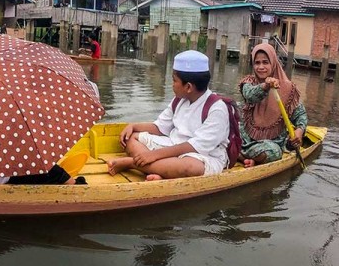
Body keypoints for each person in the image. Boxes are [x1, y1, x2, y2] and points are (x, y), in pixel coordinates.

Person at [107, 50, 230, 181]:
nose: (172, 85)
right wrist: (133, 126)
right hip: (172, 146)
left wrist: (155, 155)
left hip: (203, 156)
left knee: (190, 168)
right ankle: (164, 170)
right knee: (131, 138)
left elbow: (195, 146)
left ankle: (132, 163)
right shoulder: (179, 100)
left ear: (188, 87)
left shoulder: (217, 109)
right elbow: (160, 128)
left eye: (174, 80)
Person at [238, 43, 307, 167]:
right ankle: (245, 157)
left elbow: (300, 115)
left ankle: (243, 156)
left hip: (270, 144)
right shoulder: (248, 82)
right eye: (257, 63)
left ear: (273, 63)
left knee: (273, 152)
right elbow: (250, 96)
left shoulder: (288, 88)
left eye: (265, 62)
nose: (261, 67)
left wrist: (299, 133)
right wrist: (266, 86)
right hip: (245, 140)